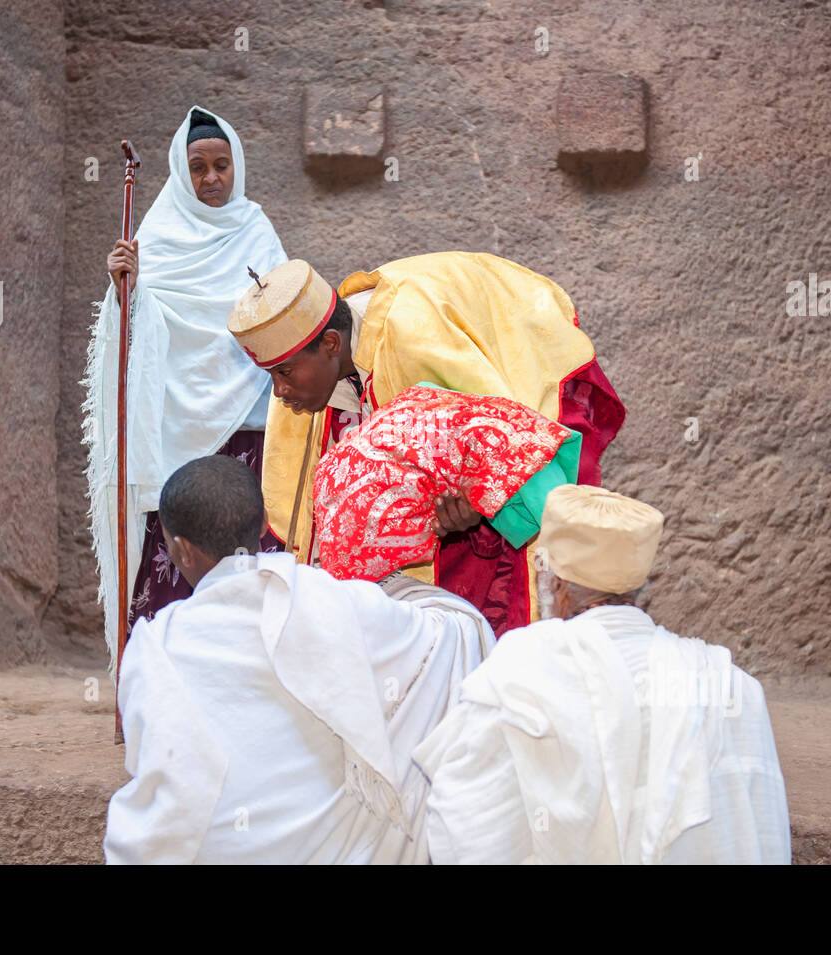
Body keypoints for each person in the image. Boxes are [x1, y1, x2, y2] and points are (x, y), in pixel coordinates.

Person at [102, 456, 495, 864]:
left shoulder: (155, 646)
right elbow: (457, 634)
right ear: (262, 524)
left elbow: (156, 772)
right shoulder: (338, 602)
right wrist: (394, 581)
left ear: (180, 548)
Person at [226, 251, 627, 636]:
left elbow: (495, 434)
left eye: (285, 373)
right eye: (270, 375)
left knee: (504, 597)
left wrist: (472, 498)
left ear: (332, 344)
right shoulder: (307, 353)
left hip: (527, 411)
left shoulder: (414, 336)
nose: (278, 392)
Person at [412, 486, 792, 864]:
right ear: (637, 587)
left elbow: (463, 821)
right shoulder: (730, 686)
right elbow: (760, 833)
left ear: (556, 584)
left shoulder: (521, 665)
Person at [84, 106, 287, 674]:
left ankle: (255, 681)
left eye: (222, 165)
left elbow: (281, 316)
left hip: (248, 428)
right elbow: (137, 334)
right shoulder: (158, 236)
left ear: (237, 167)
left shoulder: (256, 229)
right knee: (178, 561)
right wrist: (127, 290)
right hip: (179, 441)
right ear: (181, 172)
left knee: (249, 558)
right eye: (198, 168)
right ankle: (167, 686)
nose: (212, 179)